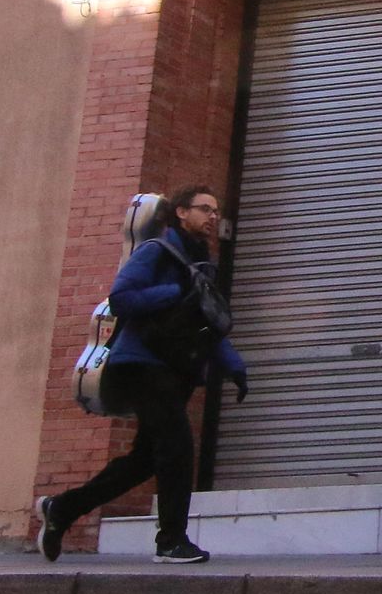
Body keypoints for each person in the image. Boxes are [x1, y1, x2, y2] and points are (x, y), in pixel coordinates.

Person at [35, 185, 247, 564]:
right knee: (178, 448)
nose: (213, 217)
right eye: (204, 209)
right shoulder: (157, 251)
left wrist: (233, 366)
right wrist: (173, 290)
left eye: (216, 211)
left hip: (175, 369)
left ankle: (62, 509)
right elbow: (122, 298)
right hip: (142, 365)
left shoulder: (202, 262)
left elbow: (206, 321)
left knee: (145, 459)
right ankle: (171, 541)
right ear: (181, 213)